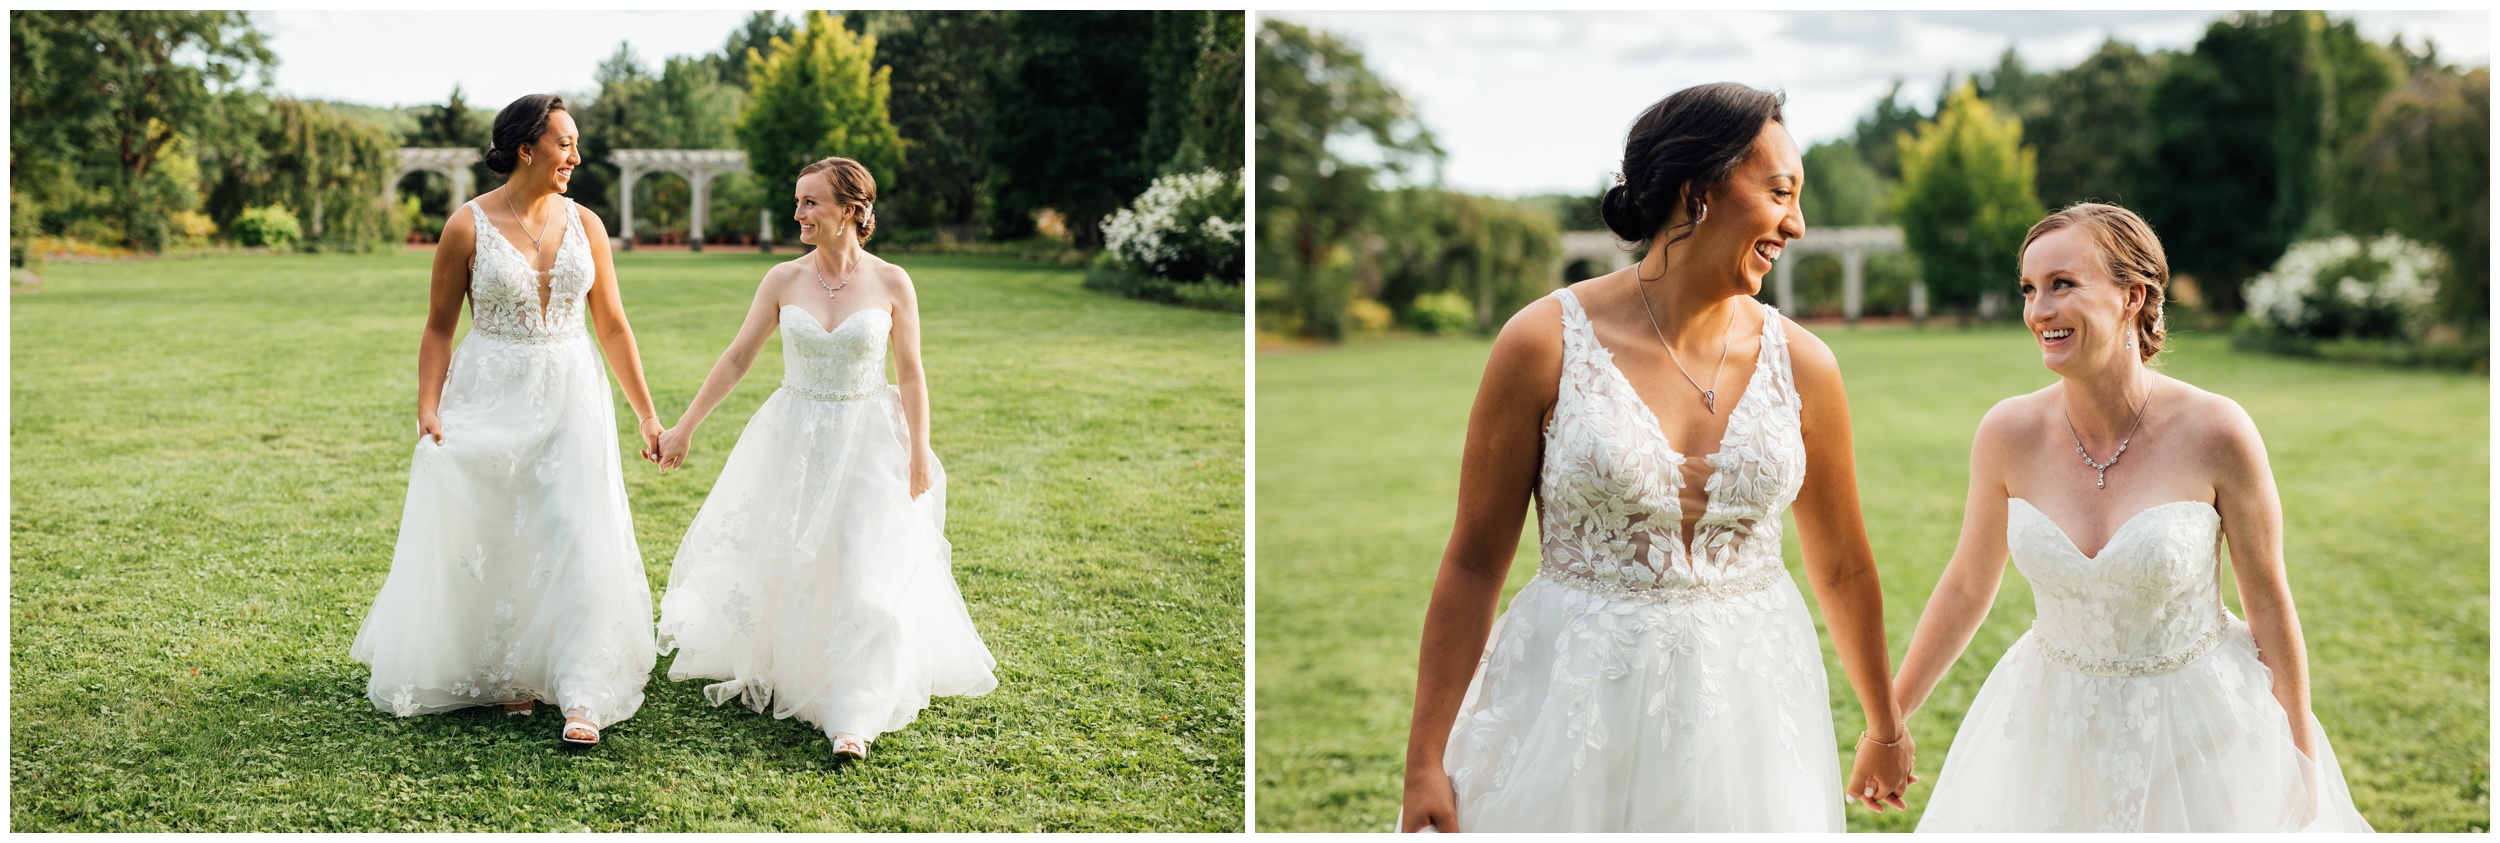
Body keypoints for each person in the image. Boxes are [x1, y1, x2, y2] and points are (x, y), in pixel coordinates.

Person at [1397, 83, 1913, 832]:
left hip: (1751, 705)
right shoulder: (1542, 343)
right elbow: (1474, 562)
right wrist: (1423, 763)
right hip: (1572, 708)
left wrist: (1884, 726)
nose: (1796, 224)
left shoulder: (1807, 365)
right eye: (1779, 192)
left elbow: (1842, 564)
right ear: (1697, 191)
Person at [1891, 203, 2372, 832]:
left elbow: (2270, 606)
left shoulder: (2218, 431)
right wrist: (1888, 723)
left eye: (2062, 284)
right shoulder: (2007, 433)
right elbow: (1964, 587)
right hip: (2050, 729)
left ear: (2132, 297)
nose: (2039, 311)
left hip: (2199, 727)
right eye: (2029, 290)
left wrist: (2300, 765)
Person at [652, 156, 996, 760]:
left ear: (851, 211)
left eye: (811, 202)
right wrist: (683, 428)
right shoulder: (782, 280)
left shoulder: (893, 283)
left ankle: (853, 713)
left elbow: (911, 375)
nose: (799, 214)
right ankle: (798, 663)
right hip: (794, 436)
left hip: (868, 437)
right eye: (798, 201)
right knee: (796, 558)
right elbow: (737, 359)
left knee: (862, 562)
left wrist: (920, 450)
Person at [352, 94, 664, 747]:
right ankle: (508, 670)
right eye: (565, 143)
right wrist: (427, 408)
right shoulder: (466, 226)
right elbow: (439, 327)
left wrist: (646, 414)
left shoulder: (588, 224)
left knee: (575, 525)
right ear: (527, 148)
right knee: (497, 528)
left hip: (573, 388)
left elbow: (611, 323)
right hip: (489, 389)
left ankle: (581, 687)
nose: (575, 156)